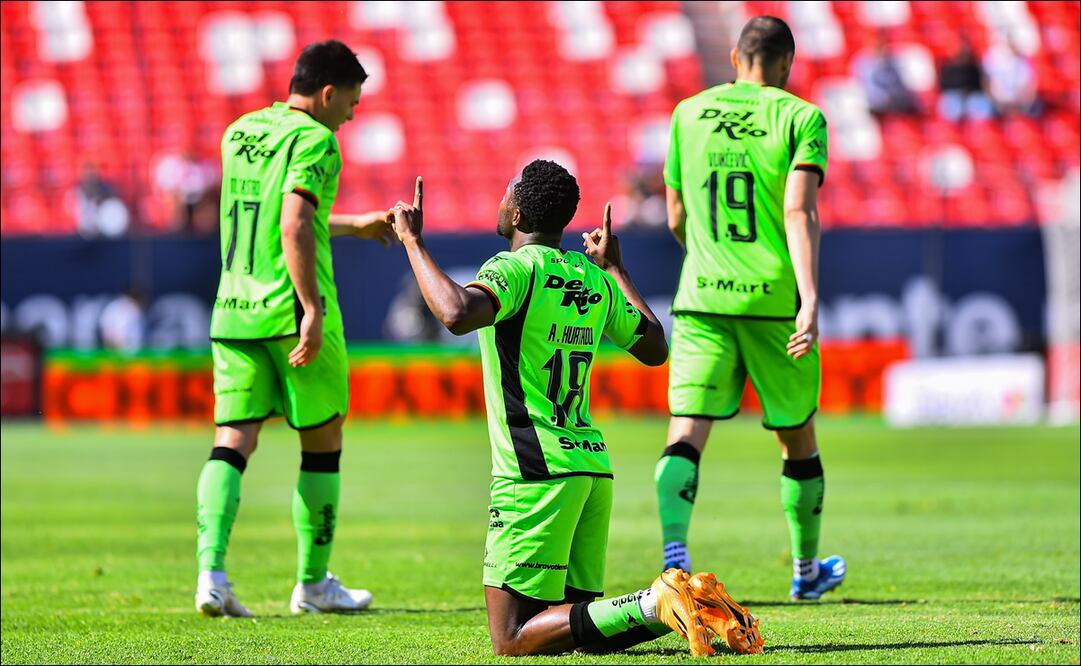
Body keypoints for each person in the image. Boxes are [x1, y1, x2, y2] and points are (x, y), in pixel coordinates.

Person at [386, 163, 764, 656]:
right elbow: (654, 347)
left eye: (506, 192)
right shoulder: (590, 277)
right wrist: (616, 270)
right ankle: (692, 602)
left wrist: (413, 241)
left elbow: (456, 312)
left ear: (517, 213)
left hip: (534, 472)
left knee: (511, 637)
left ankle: (657, 600)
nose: (501, 200)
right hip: (589, 468)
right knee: (577, 631)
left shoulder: (513, 268)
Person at [195, 40, 397, 618]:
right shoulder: (317, 141)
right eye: (351, 103)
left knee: (232, 440)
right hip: (290, 312)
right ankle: (312, 584)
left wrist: (353, 225)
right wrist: (311, 307)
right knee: (323, 443)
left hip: (234, 310)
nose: (351, 116)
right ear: (328, 93)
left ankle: (211, 576)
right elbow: (293, 224)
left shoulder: (239, 132)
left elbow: (277, 214)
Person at [656, 16, 846, 602]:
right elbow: (799, 211)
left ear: (736, 58)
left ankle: (673, 559)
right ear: (786, 64)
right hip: (772, 299)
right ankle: (805, 571)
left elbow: (675, 216)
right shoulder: (801, 117)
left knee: (686, 430)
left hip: (701, 297)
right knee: (796, 434)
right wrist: (809, 298)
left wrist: (709, 260)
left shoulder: (688, 114)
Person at [852, 33, 919, 115]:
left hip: (894, 100)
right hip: (875, 103)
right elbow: (866, 87)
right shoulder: (862, 62)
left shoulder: (893, 60)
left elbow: (899, 83)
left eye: (881, 45)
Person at [938, 40, 995, 121]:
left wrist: (967, 91)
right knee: (951, 102)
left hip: (971, 95)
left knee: (978, 101)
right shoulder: (948, 67)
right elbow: (944, 86)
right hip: (954, 95)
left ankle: (980, 126)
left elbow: (978, 85)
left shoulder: (974, 67)